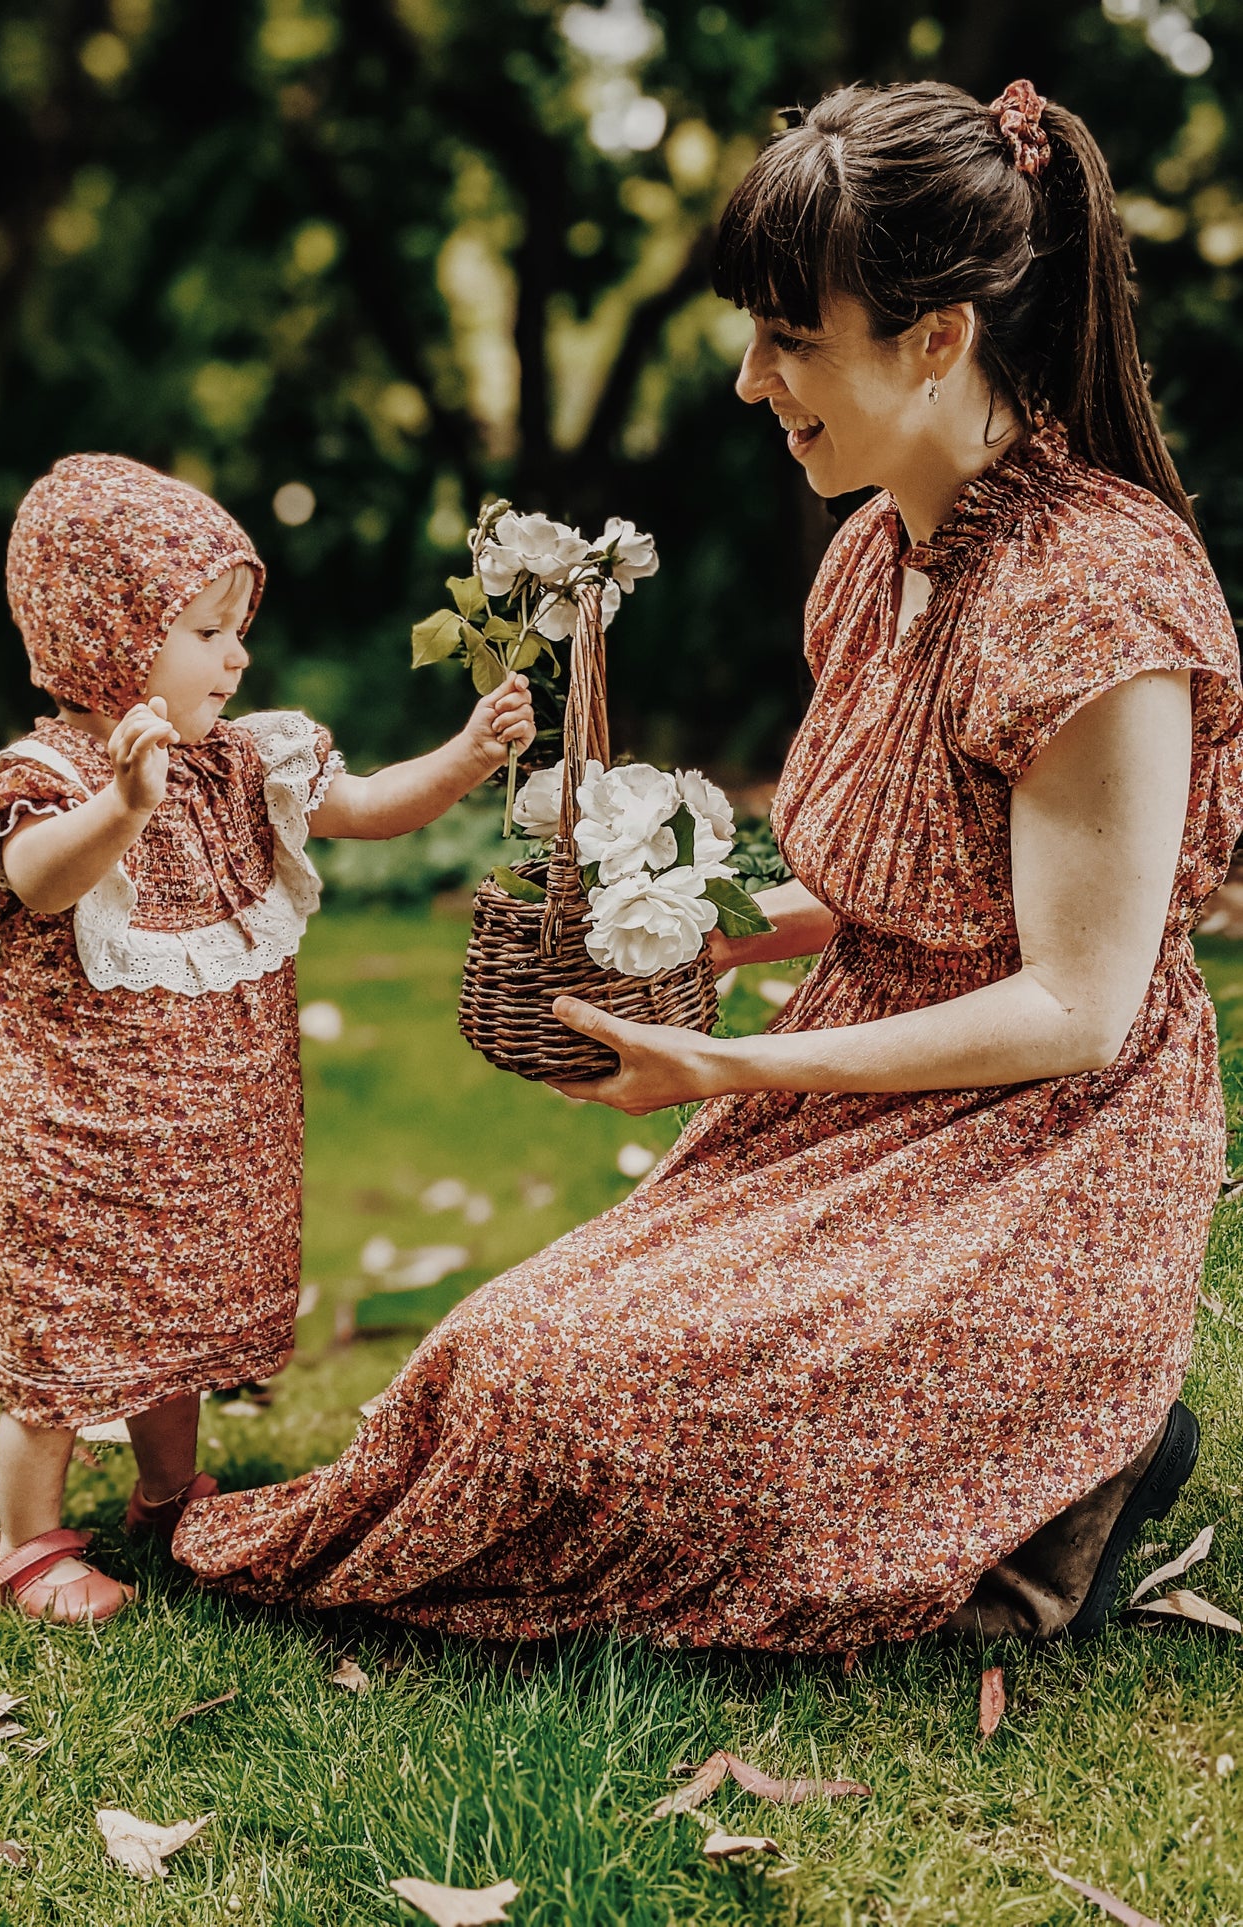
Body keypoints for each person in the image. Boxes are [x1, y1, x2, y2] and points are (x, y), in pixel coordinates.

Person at [174, 81, 1242, 1649]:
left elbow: (1077, 1004)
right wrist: (689, 935)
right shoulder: (883, 547)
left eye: (791, 338)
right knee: (504, 1361)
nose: (750, 381)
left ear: (937, 336)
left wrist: (716, 1059)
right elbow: (909, 889)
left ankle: (1072, 1458)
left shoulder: (1097, 605)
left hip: (1041, 1152)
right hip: (855, 1093)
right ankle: (1021, 1463)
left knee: (612, 1406)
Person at [0, 453, 534, 1624]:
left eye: (238, 628)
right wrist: (122, 806)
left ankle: (168, 1487)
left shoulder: (245, 761)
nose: (236, 655)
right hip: (76, 1136)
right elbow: (31, 879)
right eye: (204, 630)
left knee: (169, 1320)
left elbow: (371, 804)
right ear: (110, 636)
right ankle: (24, 1538)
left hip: (201, 1140)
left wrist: (467, 757)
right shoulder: (50, 777)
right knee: (66, 1324)